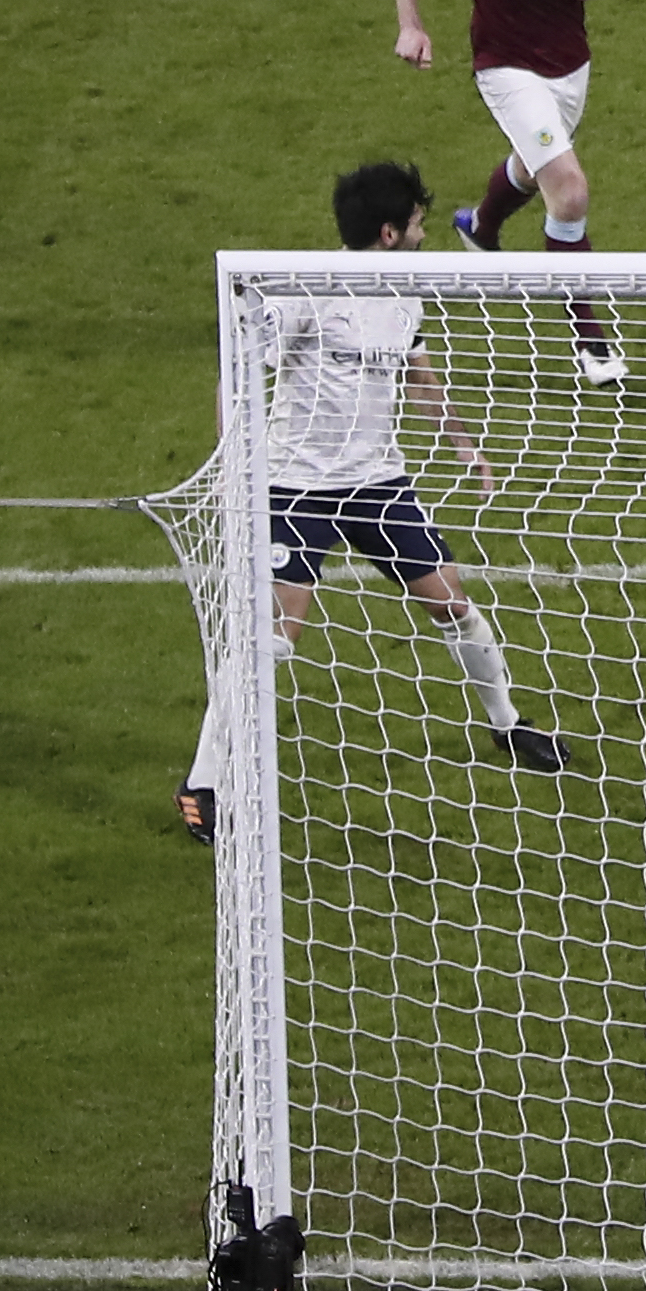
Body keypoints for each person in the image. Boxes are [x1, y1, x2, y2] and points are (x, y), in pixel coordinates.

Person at [181, 159, 563, 848]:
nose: (424, 233)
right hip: (298, 487)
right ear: (388, 232)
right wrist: (233, 464)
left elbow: (417, 371)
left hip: (378, 485)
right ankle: (203, 783)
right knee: (272, 640)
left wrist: (464, 444)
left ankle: (508, 724)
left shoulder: (404, 291)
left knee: (452, 602)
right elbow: (236, 369)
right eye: (417, 223)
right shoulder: (309, 290)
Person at [389, 0, 646, 384]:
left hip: (570, 64)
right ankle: (591, 345)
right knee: (570, 191)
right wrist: (411, 24)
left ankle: (480, 226)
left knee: (535, 168)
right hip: (505, 68)